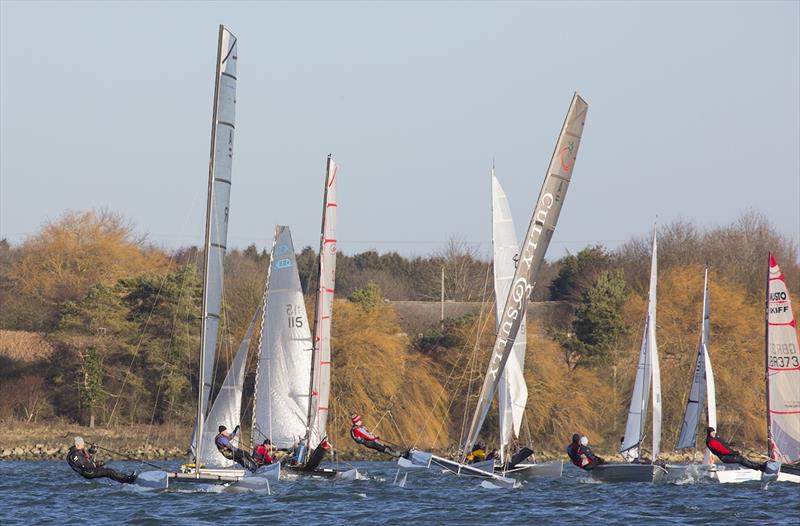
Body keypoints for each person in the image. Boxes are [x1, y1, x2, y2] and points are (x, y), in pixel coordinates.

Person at [66, 436, 136, 484]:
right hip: (88, 473)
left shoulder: (78, 451)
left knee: (109, 471)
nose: (83, 446)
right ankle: (128, 480)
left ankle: (125, 479)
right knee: (109, 472)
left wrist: (92, 449)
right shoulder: (74, 455)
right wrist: (97, 464)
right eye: (82, 445)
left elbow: (86, 455)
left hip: (90, 470)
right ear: (77, 445)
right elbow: (85, 464)